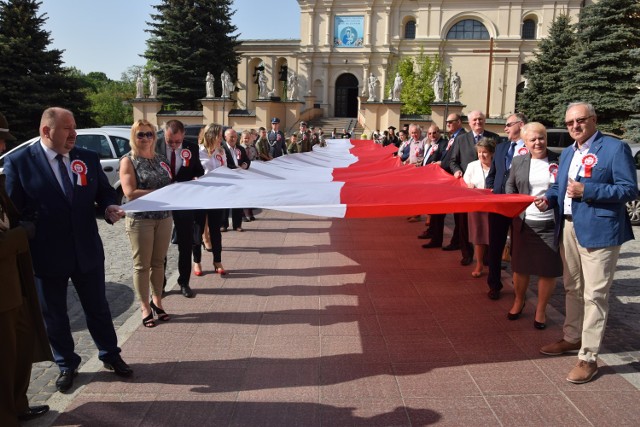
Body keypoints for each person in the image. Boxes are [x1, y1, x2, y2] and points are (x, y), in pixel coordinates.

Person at [3, 107, 132, 394]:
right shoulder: (19, 162)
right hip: (46, 253)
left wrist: (110, 206)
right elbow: (14, 211)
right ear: (46, 131)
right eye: (66, 128)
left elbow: (104, 193)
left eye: (74, 127)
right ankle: (66, 363)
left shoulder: (86, 157)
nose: (74, 134)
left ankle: (110, 354)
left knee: (98, 307)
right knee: (55, 314)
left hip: (86, 249)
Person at [536, 102, 637, 384]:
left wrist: (588, 190)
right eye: (569, 123)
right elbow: (559, 187)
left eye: (580, 121)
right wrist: (549, 198)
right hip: (568, 226)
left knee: (595, 295)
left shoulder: (614, 148)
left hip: (600, 230)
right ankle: (571, 338)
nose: (574, 127)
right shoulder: (569, 152)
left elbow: (629, 188)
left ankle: (588, 356)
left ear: (594, 119)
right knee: (572, 287)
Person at [0, 114, 52, 425]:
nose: (4, 144)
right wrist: (23, 233)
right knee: (5, 355)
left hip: (14, 280)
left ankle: (17, 404)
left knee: (19, 347)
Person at [505, 122, 561, 329]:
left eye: (541, 138)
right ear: (525, 142)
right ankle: (519, 301)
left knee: (547, 270)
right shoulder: (519, 161)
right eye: (533, 139)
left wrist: (548, 199)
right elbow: (509, 185)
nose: (538, 142)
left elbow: (560, 186)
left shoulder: (559, 159)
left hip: (549, 223)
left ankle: (541, 309)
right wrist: (517, 200)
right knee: (520, 268)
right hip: (524, 223)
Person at [120, 120, 173, 326]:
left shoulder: (160, 159)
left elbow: (171, 183)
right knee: (142, 266)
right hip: (141, 219)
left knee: (159, 263)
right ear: (134, 136)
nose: (145, 138)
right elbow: (130, 193)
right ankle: (144, 306)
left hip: (164, 217)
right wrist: (161, 193)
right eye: (140, 134)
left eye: (149, 134)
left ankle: (157, 301)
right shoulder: (129, 160)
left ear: (155, 137)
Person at [158, 120, 204, 297]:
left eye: (177, 141)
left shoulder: (191, 148)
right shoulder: (156, 146)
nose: (174, 145)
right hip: (161, 202)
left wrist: (196, 180)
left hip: (183, 201)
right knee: (160, 246)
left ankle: (184, 281)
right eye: (170, 141)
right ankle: (159, 284)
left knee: (185, 244)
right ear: (164, 134)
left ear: (183, 135)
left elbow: (198, 171)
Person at [485, 113, 527, 300]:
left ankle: (519, 287)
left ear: (521, 125)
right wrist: (489, 188)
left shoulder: (530, 147)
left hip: (520, 206)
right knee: (495, 245)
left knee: (519, 247)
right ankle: (494, 283)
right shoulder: (501, 147)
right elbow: (493, 174)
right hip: (499, 203)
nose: (505, 128)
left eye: (509, 124)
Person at [450, 110, 499, 266]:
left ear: (484, 121)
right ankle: (467, 254)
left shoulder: (494, 138)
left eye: (480, 119)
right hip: (467, 189)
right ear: (469, 123)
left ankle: (487, 258)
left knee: (488, 227)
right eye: (474, 120)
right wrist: (457, 171)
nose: (478, 122)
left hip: (488, 193)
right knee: (464, 224)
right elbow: (453, 161)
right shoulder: (461, 139)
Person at [420, 114, 466, 247]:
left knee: (458, 216)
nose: (449, 124)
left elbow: (453, 159)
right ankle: (437, 238)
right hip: (443, 179)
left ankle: (457, 242)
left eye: (451, 122)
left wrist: (439, 163)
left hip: (452, 179)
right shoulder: (453, 137)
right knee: (438, 211)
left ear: (459, 122)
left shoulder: (461, 137)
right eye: (447, 122)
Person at [196, 123, 228, 275]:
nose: (221, 138)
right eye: (219, 135)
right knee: (199, 229)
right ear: (211, 135)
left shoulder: (221, 151)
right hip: (200, 196)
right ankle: (197, 262)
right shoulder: (198, 152)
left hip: (217, 196)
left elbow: (227, 170)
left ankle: (218, 260)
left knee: (216, 230)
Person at [463, 137, 496, 278]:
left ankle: (494, 262)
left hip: (494, 206)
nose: (482, 155)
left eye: (485, 152)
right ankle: (479, 263)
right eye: (479, 152)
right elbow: (464, 183)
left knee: (493, 235)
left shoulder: (498, 165)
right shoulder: (472, 166)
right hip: (476, 206)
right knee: (478, 236)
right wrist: (468, 186)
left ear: (492, 153)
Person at [222, 128, 251, 232]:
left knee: (238, 202)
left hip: (239, 180)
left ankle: (237, 225)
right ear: (225, 137)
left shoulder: (240, 148)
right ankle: (223, 225)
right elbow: (223, 164)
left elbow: (247, 160)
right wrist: (235, 169)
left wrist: (245, 164)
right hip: (226, 180)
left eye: (235, 136)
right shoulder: (222, 149)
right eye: (231, 137)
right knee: (225, 203)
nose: (234, 138)